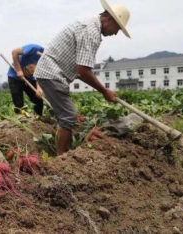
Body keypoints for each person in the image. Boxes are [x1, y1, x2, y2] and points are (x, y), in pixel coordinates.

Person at [34, 0, 131, 155]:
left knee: (67, 116)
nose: (115, 33)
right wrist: (104, 91)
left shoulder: (89, 25)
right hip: (51, 73)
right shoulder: (91, 32)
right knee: (68, 116)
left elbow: (79, 68)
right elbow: (83, 70)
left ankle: (66, 152)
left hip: (53, 72)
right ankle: (62, 159)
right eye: (117, 28)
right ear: (109, 19)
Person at [8, 44, 45, 116]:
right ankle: (21, 119)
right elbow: (14, 52)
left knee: (38, 99)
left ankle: (38, 118)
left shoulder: (47, 61)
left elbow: (40, 74)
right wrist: (19, 70)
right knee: (18, 102)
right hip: (14, 77)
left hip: (30, 79)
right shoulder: (34, 48)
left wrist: (39, 87)